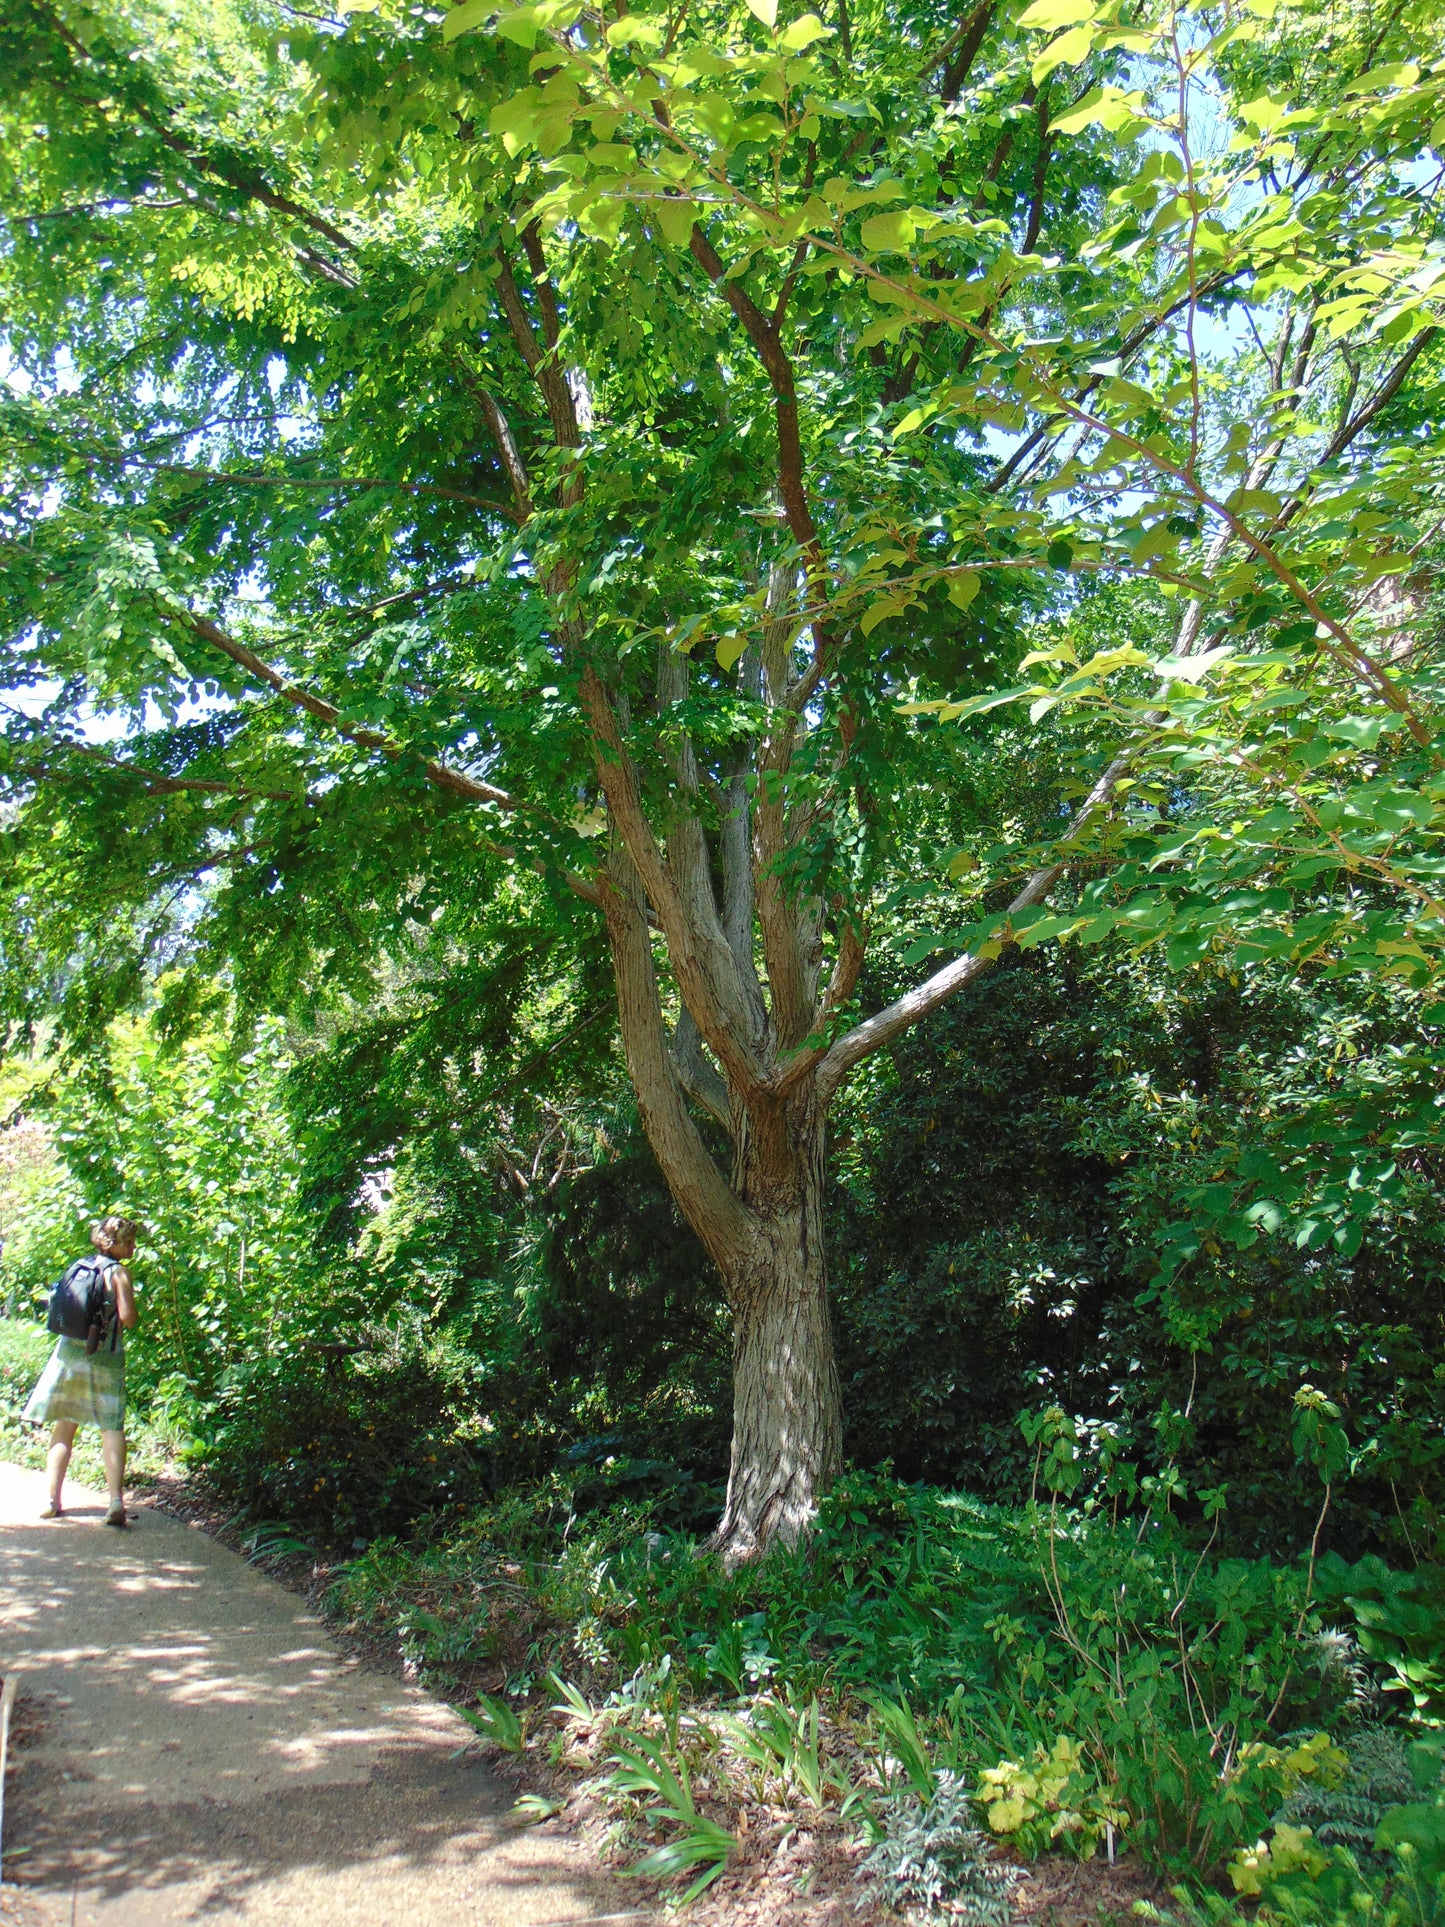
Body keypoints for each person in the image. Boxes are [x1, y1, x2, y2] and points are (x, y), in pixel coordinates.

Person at [23, 1216, 140, 1528]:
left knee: (64, 1424)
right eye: (129, 1241)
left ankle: (52, 1500)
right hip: (106, 1356)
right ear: (115, 1243)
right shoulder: (119, 1273)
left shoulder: (80, 1266)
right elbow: (128, 1318)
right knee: (112, 1427)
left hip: (69, 1353)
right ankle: (115, 1501)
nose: (134, 1246)